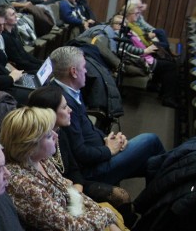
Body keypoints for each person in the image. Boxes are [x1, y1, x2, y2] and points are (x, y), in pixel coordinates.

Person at [0, 107, 156, 231]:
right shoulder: (22, 184)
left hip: (78, 224)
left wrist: (107, 218)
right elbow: (70, 229)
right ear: (30, 146)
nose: (56, 137)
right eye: (49, 135)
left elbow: (71, 192)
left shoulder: (41, 160)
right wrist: (107, 216)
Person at [50, 46, 165, 184]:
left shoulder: (69, 90)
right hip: (93, 170)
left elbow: (87, 128)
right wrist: (109, 150)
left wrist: (109, 138)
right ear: (74, 72)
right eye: (84, 67)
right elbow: (80, 154)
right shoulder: (62, 104)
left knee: (153, 164)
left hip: (100, 150)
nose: (86, 71)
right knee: (151, 141)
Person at [26, 86, 134, 210]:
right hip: (57, 196)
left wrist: (77, 193)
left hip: (76, 186)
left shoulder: (61, 132)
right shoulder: (36, 145)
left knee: (122, 196)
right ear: (49, 113)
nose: (70, 110)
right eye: (64, 107)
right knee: (149, 141)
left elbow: (74, 170)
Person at [111, 11, 179, 108]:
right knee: (170, 66)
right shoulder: (118, 36)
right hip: (141, 61)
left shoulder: (125, 33)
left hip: (145, 55)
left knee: (168, 61)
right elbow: (129, 49)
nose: (122, 26)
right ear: (112, 25)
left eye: (124, 24)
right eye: (118, 24)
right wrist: (146, 50)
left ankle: (163, 92)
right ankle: (168, 98)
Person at [1, 5, 44, 72]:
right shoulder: (5, 37)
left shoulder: (13, 31)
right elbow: (18, 62)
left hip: (25, 64)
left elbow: (23, 53)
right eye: (12, 15)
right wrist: (38, 67)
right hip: (19, 70)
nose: (16, 16)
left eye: (15, 13)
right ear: (5, 20)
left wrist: (40, 62)